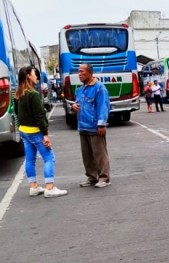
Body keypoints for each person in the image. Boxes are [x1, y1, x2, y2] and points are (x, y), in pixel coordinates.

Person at [14, 66, 67, 198]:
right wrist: (45, 135)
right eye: (34, 74)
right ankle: (50, 187)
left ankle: (34, 186)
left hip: (24, 131)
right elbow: (40, 116)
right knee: (49, 157)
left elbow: (17, 113)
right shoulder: (33, 94)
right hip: (35, 132)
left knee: (30, 159)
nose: (37, 76)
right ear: (28, 76)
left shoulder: (18, 94)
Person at [72, 64, 111, 188]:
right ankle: (92, 177)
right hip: (83, 126)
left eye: (82, 72)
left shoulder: (99, 88)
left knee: (100, 154)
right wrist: (73, 107)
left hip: (95, 127)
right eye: (78, 72)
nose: (79, 74)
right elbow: (77, 104)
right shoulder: (81, 89)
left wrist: (101, 125)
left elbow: (103, 107)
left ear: (90, 73)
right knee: (87, 156)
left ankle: (104, 178)